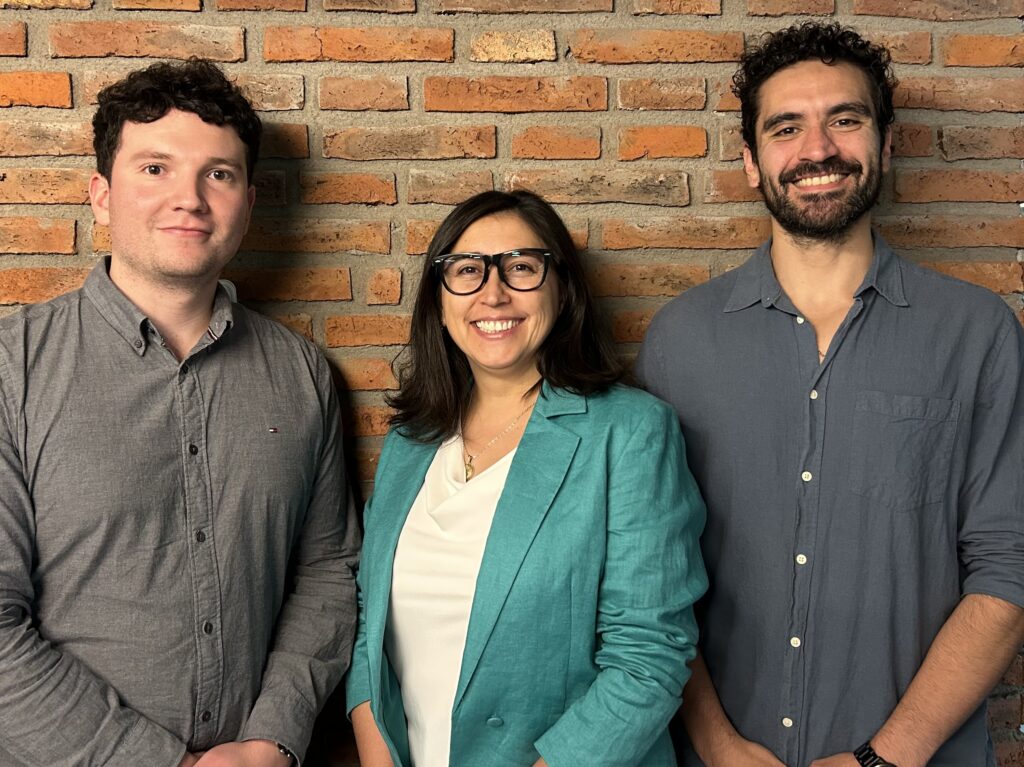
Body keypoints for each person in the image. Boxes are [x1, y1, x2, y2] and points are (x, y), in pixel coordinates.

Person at [637, 22, 1024, 767]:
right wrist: (718, 747)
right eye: (786, 127)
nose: (817, 150)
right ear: (751, 161)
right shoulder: (679, 342)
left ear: (887, 142)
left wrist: (883, 758)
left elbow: (1008, 568)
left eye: (845, 119)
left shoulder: (977, 336)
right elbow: (650, 580)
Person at [0, 59, 360, 767]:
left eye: (218, 174)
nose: (190, 199)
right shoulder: (11, 366)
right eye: (156, 169)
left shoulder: (301, 373)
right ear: (100, 195)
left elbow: (327, 572)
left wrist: (271, 741)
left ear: (249, 203)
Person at [345, 190, 708, 767]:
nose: (493, 292)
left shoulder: (631, 432)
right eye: (466, 270)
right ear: (439, 302)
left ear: (561, 290)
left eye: (521, 267)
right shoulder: (408, 443)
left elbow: (648, 658)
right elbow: (369, 628)